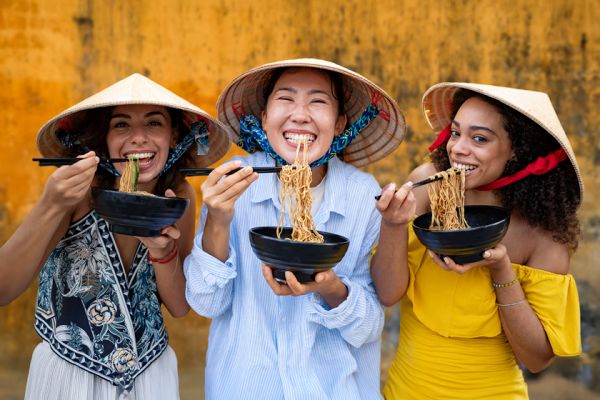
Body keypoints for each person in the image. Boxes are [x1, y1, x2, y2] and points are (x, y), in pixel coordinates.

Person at [184, 58, 406, 399]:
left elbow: (370, 326)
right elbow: (207, 303)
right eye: (285, 99)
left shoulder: (361, 193)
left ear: (340, 123)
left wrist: (331, 288)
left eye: (318, 101)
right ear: (263, 119)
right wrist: (217, 216)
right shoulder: (233, 181)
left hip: (332, 388)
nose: (300, 114)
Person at [0, 73, 230, 399]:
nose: (138, 138)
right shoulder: (76, 193)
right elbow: (4, 287)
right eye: (121, 125)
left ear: (174, 136)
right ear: (103, 139)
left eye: (154, 124)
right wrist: (51, 203)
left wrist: (162, 251)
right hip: (70, 375)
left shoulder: (177, 195)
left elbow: (179, 306)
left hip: (151, 374)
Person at [372, 82, 583, 399]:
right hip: (406, 390)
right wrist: (392, 224)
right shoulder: (427, 186)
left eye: (480, 138)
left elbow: (537, 358)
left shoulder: (542, 231)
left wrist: (501, 269)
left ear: (516, 150)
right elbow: (388, 294)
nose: (457, 148)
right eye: (456, 133)